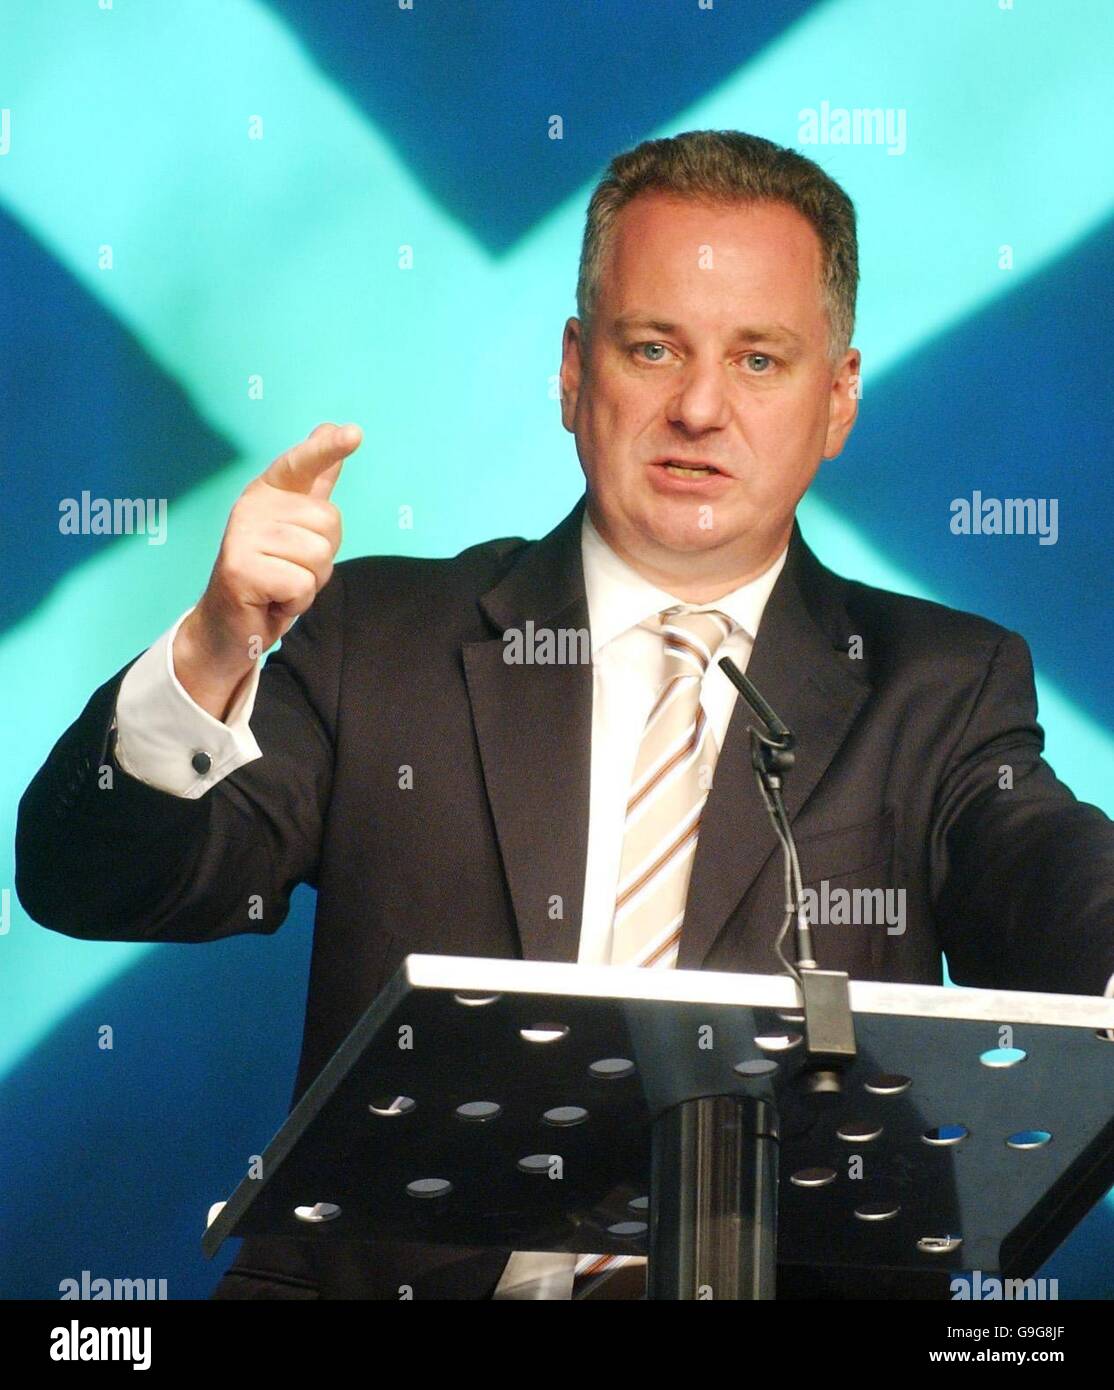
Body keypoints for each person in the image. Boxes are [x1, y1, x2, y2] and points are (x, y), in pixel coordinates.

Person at [16, 130, 1114, 1301]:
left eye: (758, 360)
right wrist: (213, 647)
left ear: (836, 398)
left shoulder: (935, 683)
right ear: (572, 369)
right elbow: (94, 881)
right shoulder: (375, 634)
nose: (699, 407)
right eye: (654, 348)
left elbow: (1040, 869)